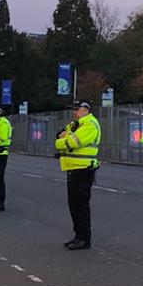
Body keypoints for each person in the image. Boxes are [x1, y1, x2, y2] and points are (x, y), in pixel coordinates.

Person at [55, 99, 101, 250]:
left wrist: (61, 140)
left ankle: (84, 238)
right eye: (73, 109)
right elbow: (63, 136)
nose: (74, 112)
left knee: (80, 205)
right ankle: (78, 236)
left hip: (83, 169)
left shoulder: (89, 124)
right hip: (74, 168)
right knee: (74, 205)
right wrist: (63, 138)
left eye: (77, 109)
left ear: (86, 110)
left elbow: (71, 142)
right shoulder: (77, 124)